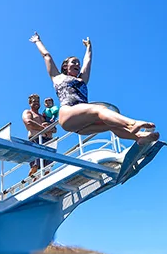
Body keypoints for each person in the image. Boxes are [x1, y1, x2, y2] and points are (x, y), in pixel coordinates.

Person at [29, 32, 159, 145]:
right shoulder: (58, 77)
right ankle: (132, 124)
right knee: (99, 109)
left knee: (111, 123)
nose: (77, 64)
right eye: (73, 62)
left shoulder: (82, 80)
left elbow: (87, 62)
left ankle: (138, 138)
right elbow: (46, 56)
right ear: (65, 66)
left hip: (82, 125)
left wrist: (89, 47)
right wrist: (37, 41)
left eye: (78, 63)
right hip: (68, 114)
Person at [21, 93, 53, 177]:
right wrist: (44, 129)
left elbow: (54, 129)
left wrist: (49, 127)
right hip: (36, 139)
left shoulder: (43, 116)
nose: (36, 103)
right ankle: (32, 179)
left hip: (48, 141)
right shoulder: (28, 112)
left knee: (48, 167)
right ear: (30, 103)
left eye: (38, 101)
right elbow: (28, 122)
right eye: (34, 101)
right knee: (35, 165)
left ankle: (45, 178)